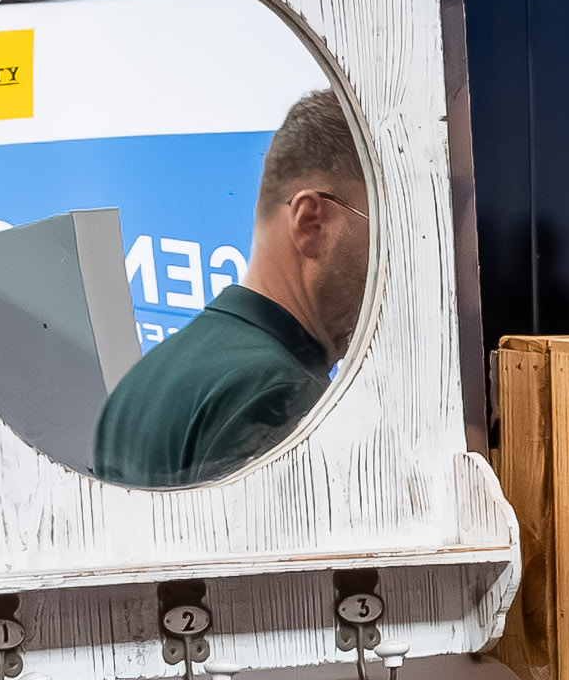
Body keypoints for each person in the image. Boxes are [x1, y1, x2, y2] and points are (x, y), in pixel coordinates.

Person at [92, 86, 366, 486]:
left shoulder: (137, 386)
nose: (396, 258)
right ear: (311, 223)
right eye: (386, 230)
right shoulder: (286, 396)